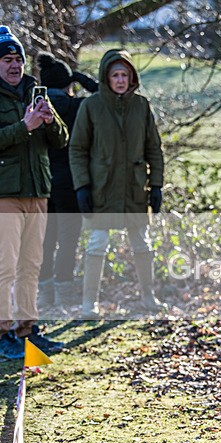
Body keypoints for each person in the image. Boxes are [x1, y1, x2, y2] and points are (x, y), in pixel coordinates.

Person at [69, 49, 166, 319]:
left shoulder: (142, 106)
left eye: (125, 74)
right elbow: (77, 150)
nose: (120, 80)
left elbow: (154, 149)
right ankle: (90, 305)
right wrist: (82, 187)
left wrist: (156, 185)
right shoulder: (91, 106)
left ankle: (148, 297)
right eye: (115, 75)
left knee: (142, 244)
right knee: (96, 244)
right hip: (102, 188)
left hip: (135, 188)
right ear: (106, 77)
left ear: (132, 77)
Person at [0, 26, 69, 358]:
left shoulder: (34, 92)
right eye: (7, 59)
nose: (14, 65)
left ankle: (27, 329)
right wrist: (23, 127)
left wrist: (49, 120)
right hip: (5, 194)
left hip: (37, 191)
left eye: (18, 59)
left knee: (32, 265)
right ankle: (3, 334)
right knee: (5, 266)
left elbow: (61, 140)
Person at [36, 51, 98, 314]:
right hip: (70, 182)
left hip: (42, 182)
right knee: (68, 239)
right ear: (67, 83)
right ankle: (64, 295)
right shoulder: (77, 107)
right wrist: (80, 77)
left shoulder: (35, 108)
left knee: (45, 240)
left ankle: (45, 296)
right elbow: (103, 95)